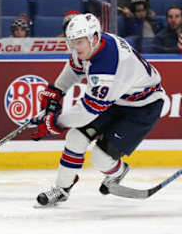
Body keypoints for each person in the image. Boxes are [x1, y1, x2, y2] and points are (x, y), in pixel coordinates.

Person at [31, 13, 165, 207]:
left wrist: (55, 123)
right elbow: (75, 69)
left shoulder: (108, 67)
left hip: (143, 107)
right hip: (117, 98)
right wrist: (57, 90)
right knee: (75, 137)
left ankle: (118, 172)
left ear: (93, 38)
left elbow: (87, 111)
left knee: (101, 159)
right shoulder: (93, 43)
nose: (75, 48)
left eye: (79, 42)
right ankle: (61, 189)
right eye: (72, 42)